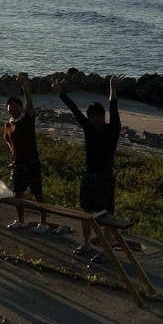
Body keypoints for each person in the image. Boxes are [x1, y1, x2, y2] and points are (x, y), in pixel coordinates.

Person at [54, 74, 123, 249]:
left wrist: (112, 88)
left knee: (106, 214)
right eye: (92, 116)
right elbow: (75, 110)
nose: (95, 119)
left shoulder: (113, 129)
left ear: (103, 116)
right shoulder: (88, 128)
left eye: (98, 115)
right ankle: (86, 244)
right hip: (89, 175)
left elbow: (113, 106)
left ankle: (107, 247)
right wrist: (60, 93)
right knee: (86, 211)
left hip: (105, 176)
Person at [4, 73, 49, 231]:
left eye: (15, 106)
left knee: (38, 193)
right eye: (10, 107)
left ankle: (43, 222)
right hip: (18, 164)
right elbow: (9, 142)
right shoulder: (8, 125)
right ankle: (21, 220)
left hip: (31, 162)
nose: (12, 109)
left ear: (20, 108)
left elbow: (30, 104)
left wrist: (24, 86)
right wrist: (12, 158)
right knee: (18, 194)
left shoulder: (27, 120)